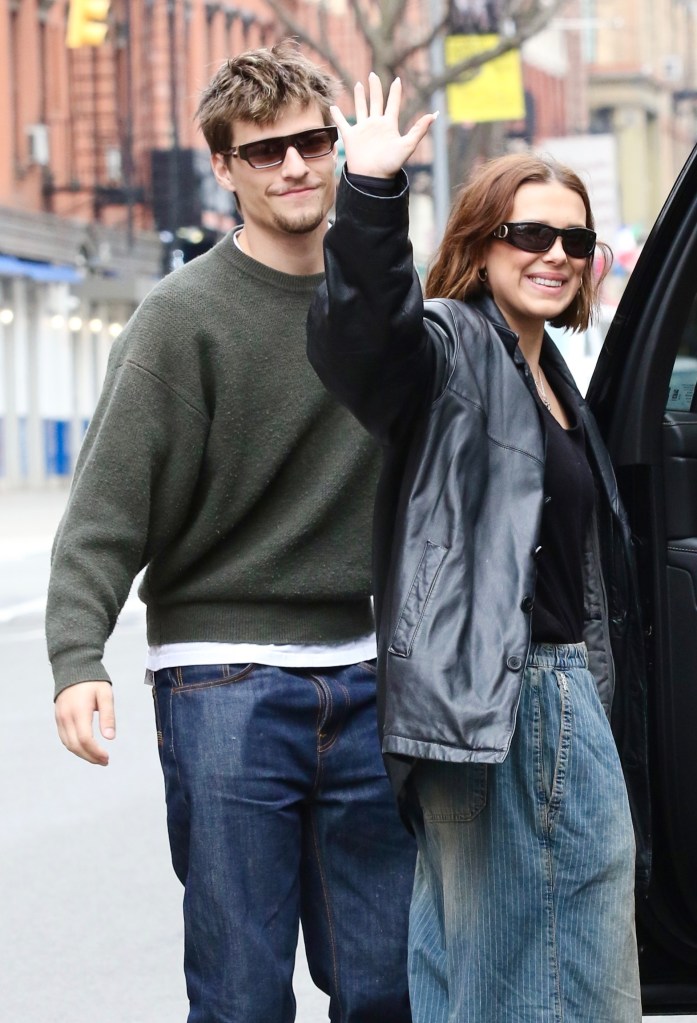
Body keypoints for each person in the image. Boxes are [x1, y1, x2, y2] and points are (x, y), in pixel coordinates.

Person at [46, 45, 415, 1023]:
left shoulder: (379, 304)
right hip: (225, 686)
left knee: (387, 988)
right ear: (224, 169)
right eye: (264, 153)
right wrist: (77, 655)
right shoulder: (180, 318)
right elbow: (105, 510)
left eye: (311, 144)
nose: (293, 166)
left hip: (374, 674)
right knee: (244, 996)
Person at [307, 74, 650, 1023]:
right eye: (528, 235)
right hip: (497, 700)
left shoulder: (552, 377)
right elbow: (362, 343)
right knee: (520, 972)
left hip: (549, 695)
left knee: (514, 964)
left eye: (573, 240)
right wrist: (370, 193)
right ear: (478, 243)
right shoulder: (453, 346)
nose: (554, 256)